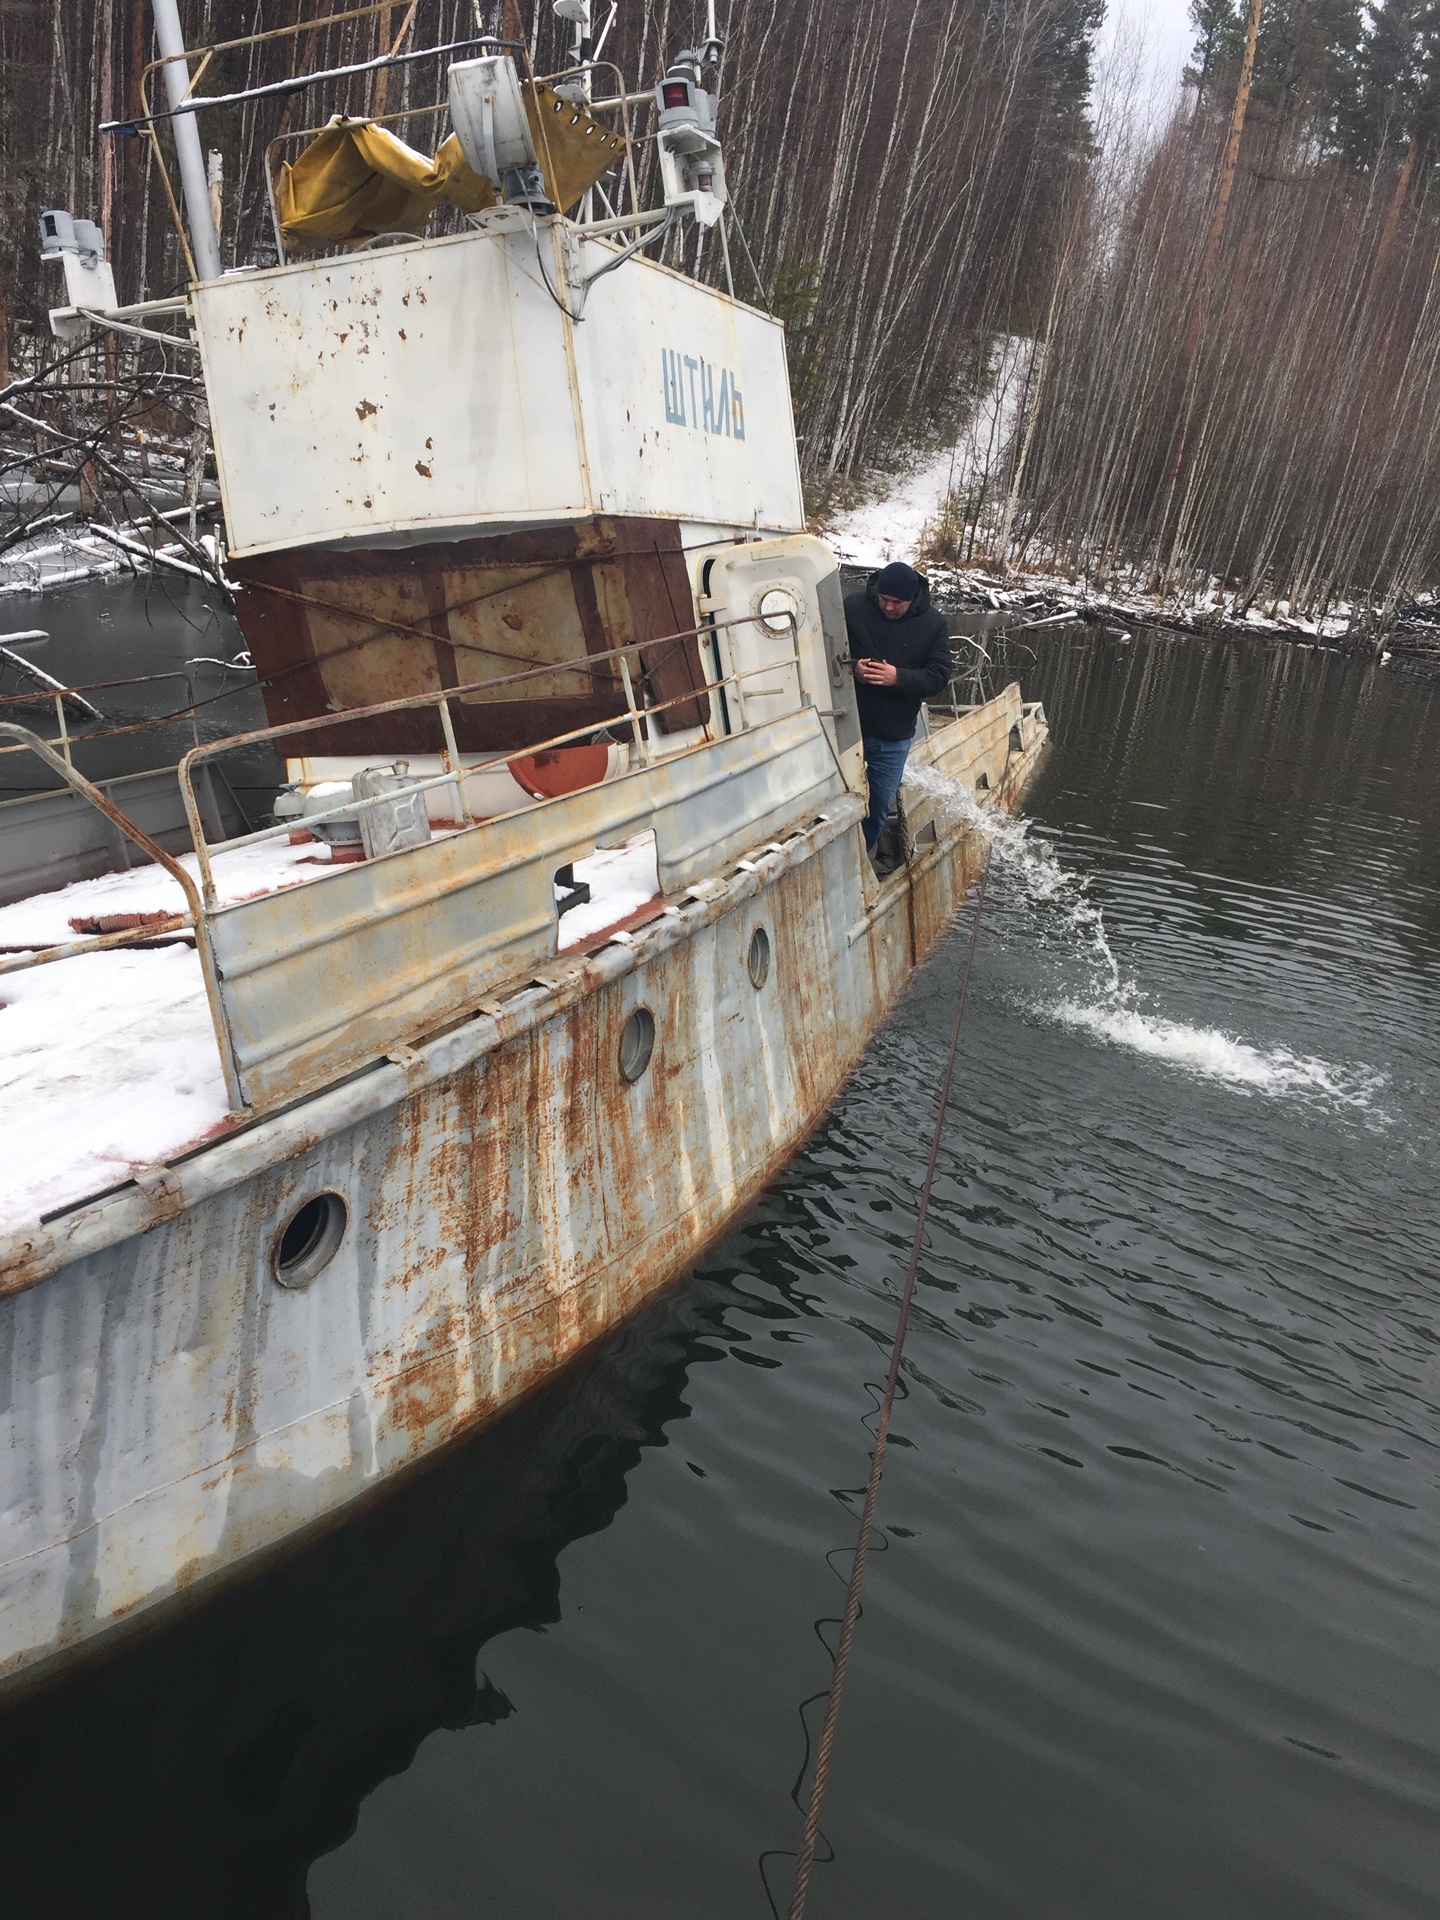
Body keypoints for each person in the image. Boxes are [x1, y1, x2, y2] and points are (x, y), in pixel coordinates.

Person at [844, 559, 954, 855]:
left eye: (897, 603)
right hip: (847, 726)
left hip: (893, 734)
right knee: (839, 800)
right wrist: (853, 668)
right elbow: (827, 648)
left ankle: (862, 857)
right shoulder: (854, 607)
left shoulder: (933, 624)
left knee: (878, 804)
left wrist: (898, 677)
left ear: (912, 598)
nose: (889, 608)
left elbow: (939, 675)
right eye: (884, 600)